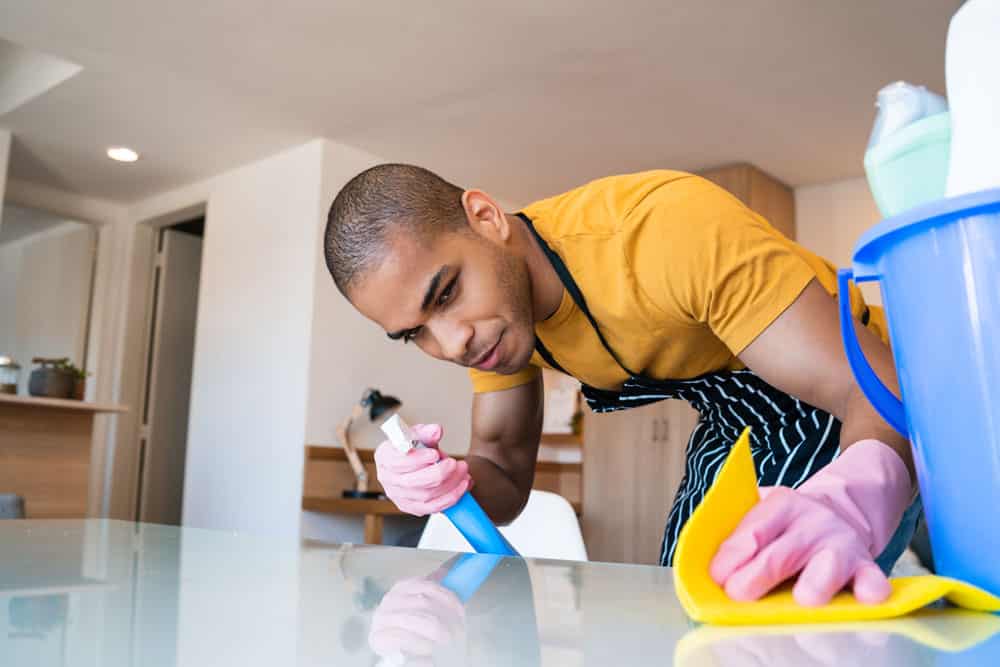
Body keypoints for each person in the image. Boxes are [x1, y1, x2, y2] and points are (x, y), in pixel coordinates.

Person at [324, 164, 919, 606]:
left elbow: (872, 386)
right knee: (683, 593)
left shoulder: (663, 233)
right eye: (414, 334)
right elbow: (503, 472)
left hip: (863, 397)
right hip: (728, 409)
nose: (451, 344)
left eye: (446, 293)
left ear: (486, 218)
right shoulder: (490, 325)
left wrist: (853, 503)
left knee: (762, 600)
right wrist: (447, 482)